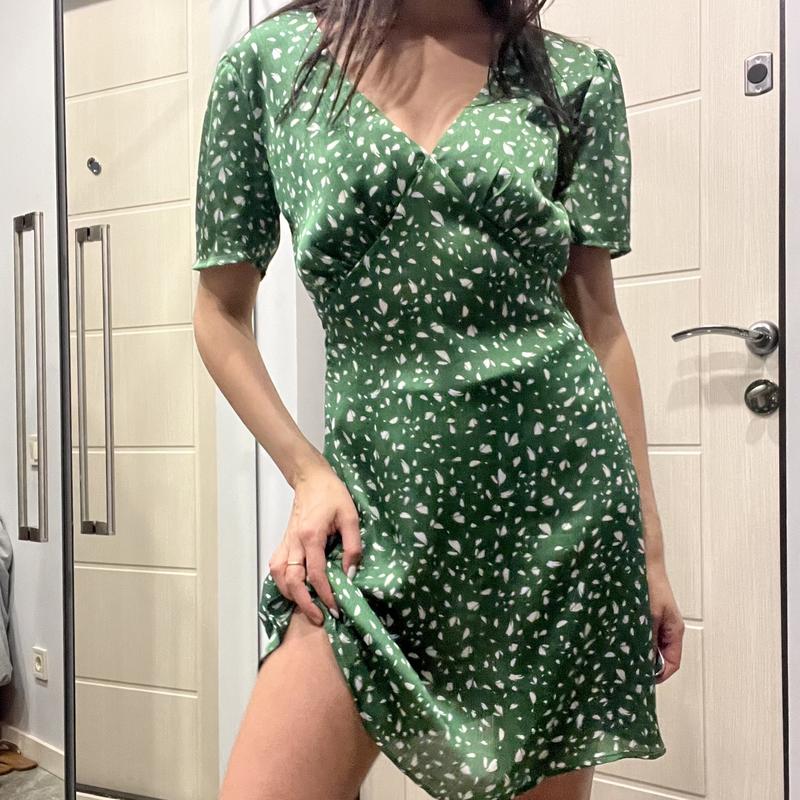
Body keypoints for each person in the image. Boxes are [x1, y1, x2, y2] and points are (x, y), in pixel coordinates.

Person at [191, 2, 684, 798]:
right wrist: (307, 474)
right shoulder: (270, 65)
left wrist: (649, 553)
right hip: (374, 520)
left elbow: (601, 326)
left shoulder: (572, 76)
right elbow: (219, 314)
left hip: (557, 522)